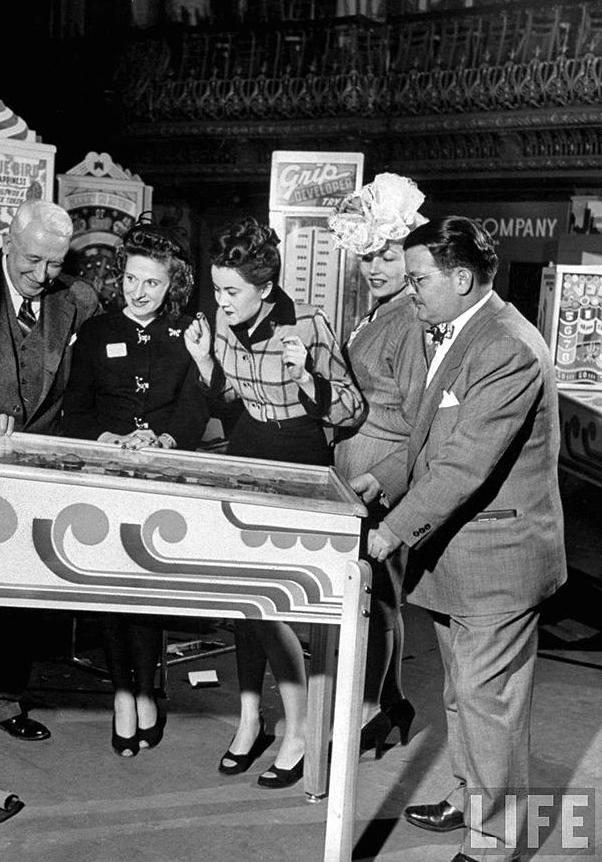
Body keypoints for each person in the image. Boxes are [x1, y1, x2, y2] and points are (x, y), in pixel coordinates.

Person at [350, 216, 566, 862]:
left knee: (488, 702)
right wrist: (376, 479)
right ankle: (471, 797)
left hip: (497, 558)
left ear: (462, 278)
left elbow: (463, 465)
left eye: (418, 278)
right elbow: (424, 444)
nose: (408, 289)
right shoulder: (447, 331)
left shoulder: (504, 346)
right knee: (460, 693)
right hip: (458, 554)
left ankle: (494, 841)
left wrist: (390, 530)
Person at [184, 216, 364, 789]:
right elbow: (230, 404)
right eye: (218, 290)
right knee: (244, 603)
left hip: (299, 467)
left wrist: (308, 375)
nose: (222, 301)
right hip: (248, 458)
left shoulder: (309, 324)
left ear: (265, 288)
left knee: (273, 604)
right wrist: (206, 362)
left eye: (232, 291)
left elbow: (350, 410)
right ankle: (249, 719)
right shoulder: (223, 320)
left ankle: (299, 729)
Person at [0, 199, 100, 786]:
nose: (43, 276)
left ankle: (5, 700)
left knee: (18, 592)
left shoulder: (76, 299)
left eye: (55, 263)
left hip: (36, 468)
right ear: (6, 244)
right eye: (33, 261)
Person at [63, 220, 209, 756]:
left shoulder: (186, 332)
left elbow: (196, 405)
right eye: (130, 278)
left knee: (147, 592)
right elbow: (73, 411)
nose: (137, 290)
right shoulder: (97, 332)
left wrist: (168, 439)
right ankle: (122, 694)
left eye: (151, 282)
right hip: (106, 479)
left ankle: (147, 691)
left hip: (159, 481)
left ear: (172, 285)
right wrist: (108, 438)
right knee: (110, 593)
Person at [327, 172, 429, 757]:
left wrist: (383, 477)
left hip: (379, 478)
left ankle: (372, 710)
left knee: (377, 597)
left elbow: (422, 426)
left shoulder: (410, 318)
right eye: (367, 255)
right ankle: (388, 703)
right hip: (355, 469)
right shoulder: (380, 311)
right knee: (372, 594)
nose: (375, 267)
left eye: (387, 255)